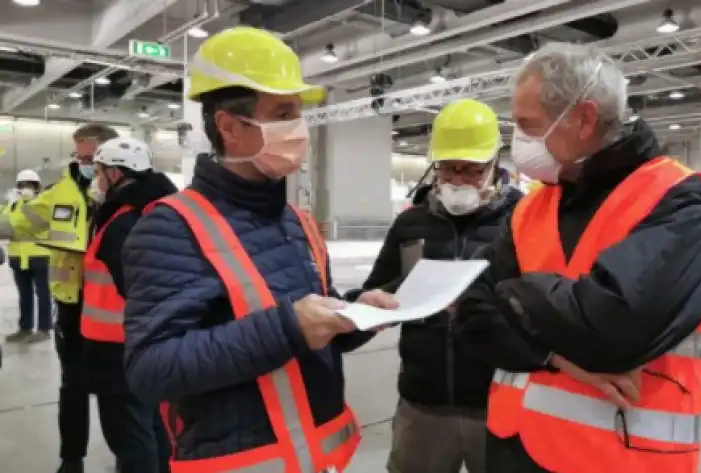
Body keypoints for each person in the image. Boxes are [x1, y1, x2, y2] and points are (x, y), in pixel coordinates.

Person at [121, 26, 397, 472]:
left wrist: (354, 316)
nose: (300, 128)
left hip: (323, 458)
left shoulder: (297, 221)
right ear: (228, 126)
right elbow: (151, 369)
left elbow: (307, 332)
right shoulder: (171, 227)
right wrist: (289, 327)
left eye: (299, 112)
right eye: (283, 112)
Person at [457, 42, 701, 473]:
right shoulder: (532, 206)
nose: (521, 142)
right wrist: (557, 355)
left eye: (529, 126)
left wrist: (513, 291)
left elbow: (611, 332)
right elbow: (473, 315)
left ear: (584, 119)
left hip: (623, 456)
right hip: (513, 448)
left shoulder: (680, 201)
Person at [350, 99, 522, 473]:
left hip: (498, 402)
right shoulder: (410, 225)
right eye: (448, 169)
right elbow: (377, 288)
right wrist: (370, 303)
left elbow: (542, 300)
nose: (458, 180)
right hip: (422, 403)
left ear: (494, 164)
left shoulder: (522, 221)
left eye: (472, 170)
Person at [0, 123, 118, 473]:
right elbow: (16, 222)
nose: (83, 164)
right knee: (73, 387)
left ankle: (134, 455)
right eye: (78, 156)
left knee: (122, 392)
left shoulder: (130, 193)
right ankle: (72, 458)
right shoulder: (59, 193)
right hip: (72, 305)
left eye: (89, 158)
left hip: (115, 308)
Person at [82, 137, 176, 472]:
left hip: (118, 348)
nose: (96, 178)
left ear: (117, 173)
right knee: (153, 426)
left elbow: (135, 286)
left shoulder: (121, 222)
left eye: (99, 170)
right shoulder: (160, 208)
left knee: (130, 437)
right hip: (153, 341)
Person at [3, 169, 52, 343]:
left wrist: (22, 207)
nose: (26, 188)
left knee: (43, 294)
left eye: (30, 185)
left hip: (40, 255)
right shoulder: (13, 205)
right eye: (23, 185)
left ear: (37, 187)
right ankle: (25, 328)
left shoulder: (42, 203)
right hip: (17, 256)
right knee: (24, 294)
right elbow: (5, 226)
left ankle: (44, 329)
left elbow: (37, 223)